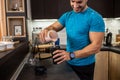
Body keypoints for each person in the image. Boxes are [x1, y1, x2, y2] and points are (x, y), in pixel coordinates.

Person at [39, 0, 105, 80]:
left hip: (84, 67)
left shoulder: (95, 17)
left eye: (79, 2)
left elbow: (96, 46)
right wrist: (46, 29)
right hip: (69, 64)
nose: (75, 5)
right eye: (72, 1)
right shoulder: (67, 16)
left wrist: (71, 55)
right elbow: (54, 27)